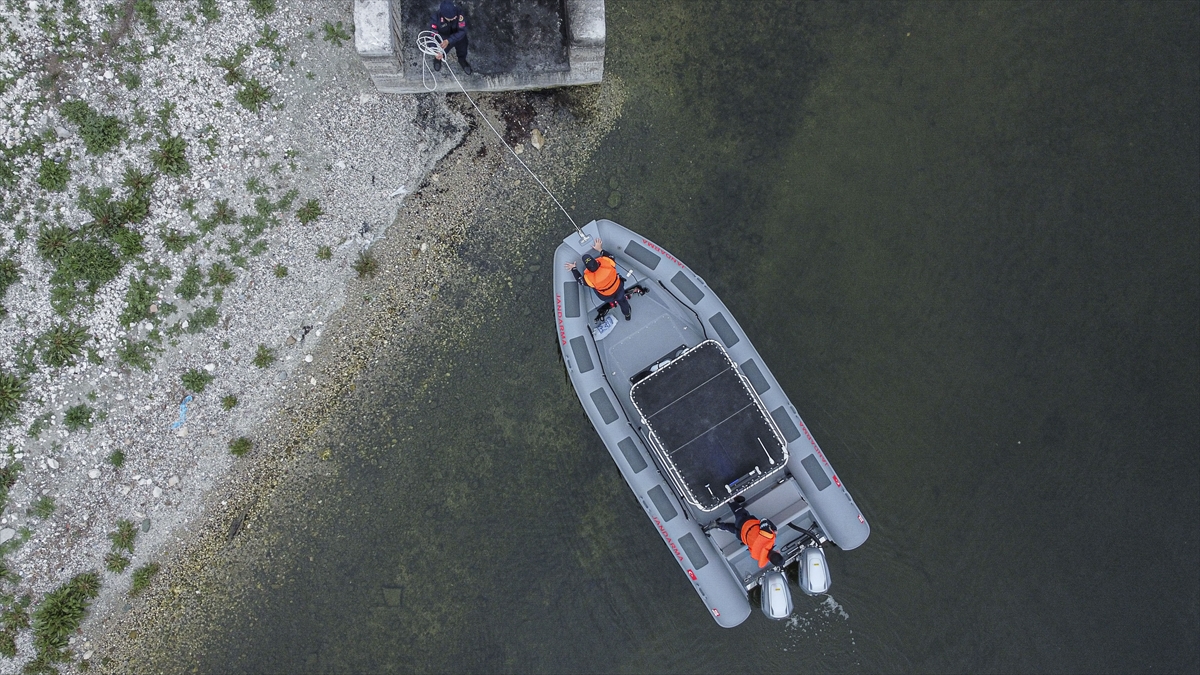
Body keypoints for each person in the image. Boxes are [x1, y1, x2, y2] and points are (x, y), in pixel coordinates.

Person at [565, 237, 644, 322]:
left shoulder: (589, 278)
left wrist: (574, 268)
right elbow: (611, 256)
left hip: (606, 297)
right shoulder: (607, 263)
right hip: (618, 289)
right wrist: (600, 249)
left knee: (594, 287)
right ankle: (627, 315)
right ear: (596, 262)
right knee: (623, 302)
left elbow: (580, 281)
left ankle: (613, 302)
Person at [714, 496, 785, 568]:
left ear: (778, 552)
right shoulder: (757, 556)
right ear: (769, 560)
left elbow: (763, 520)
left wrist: (774, 529)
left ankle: (730, 500)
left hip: (746, 522)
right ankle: (718, 525)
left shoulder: (769, 536)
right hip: (741, 535)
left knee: (739, 511)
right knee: (733, 529)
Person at [430, 1, 472, 75]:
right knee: (441, 51)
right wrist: (435, 51)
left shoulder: (459, 13)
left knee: (463, 49)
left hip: (459, 37)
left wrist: (449, 40)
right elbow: (432, 35)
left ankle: (462, 60)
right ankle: (438, 59)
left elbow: (462, 31)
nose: (455, 17)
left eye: (455, 15)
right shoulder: (435, 18)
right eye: (452, 17)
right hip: (443, 39)